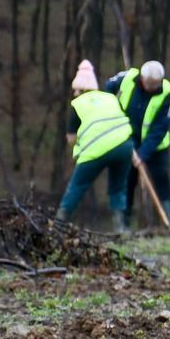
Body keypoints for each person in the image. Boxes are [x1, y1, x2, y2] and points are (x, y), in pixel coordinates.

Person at [57, 60, 136, 230]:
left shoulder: (78, 104)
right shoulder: (109, 97)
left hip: (95, 150)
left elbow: (71, 138)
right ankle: (120, 228)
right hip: (124, 146)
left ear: (79, 90)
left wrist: (80, 145)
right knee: (118, 188)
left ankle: (59, 223)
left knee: (77, 186)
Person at [102, 60, 170, 226]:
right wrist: (112, 110)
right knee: (127, 180)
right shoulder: (127, 78)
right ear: (142, 78)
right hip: (127, 139)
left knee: (162, 178)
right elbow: (107, 88)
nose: (153, 87)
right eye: (150, 84)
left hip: (156, 146)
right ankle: (124, 223)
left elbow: (160, 128)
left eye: (156, 84)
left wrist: (143, 154)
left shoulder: (168, 93)